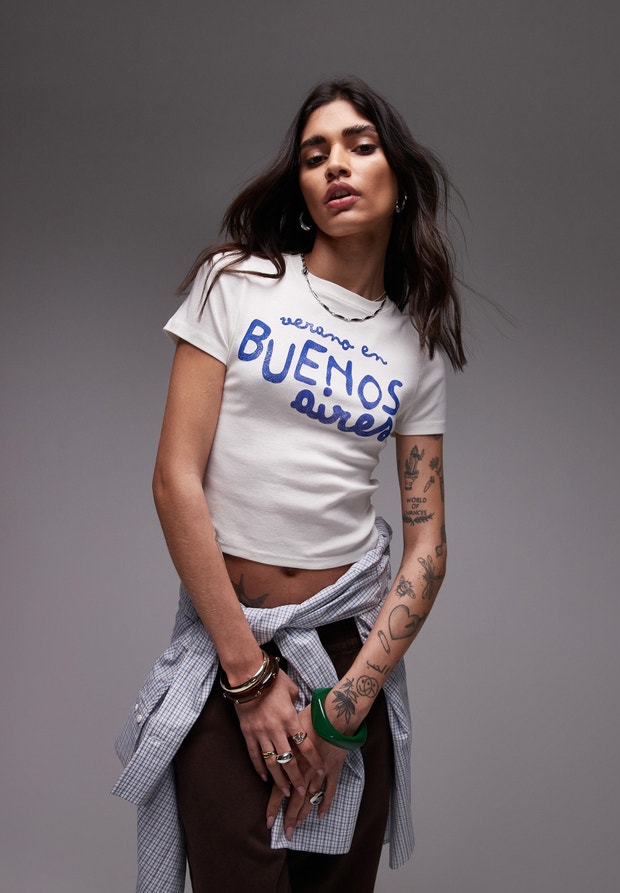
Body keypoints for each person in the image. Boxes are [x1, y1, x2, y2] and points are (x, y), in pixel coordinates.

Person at [113, 75, 467, 893]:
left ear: (398, 180)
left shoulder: (414, 350)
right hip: (232, 648)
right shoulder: (236, 282)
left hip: (347, 661)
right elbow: (174, 481)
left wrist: (342, 714)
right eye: (315, 155)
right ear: (303, 191)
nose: (335, 164)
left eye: (359, 146)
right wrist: (249, 679)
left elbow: (428, 545)